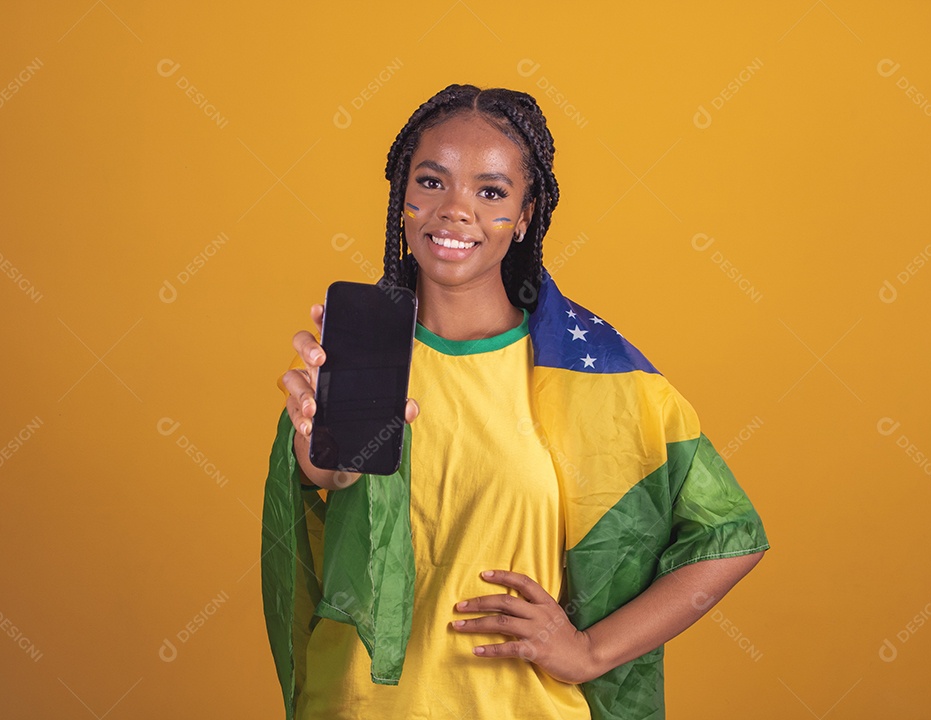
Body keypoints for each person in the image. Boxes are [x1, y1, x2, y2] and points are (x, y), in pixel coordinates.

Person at [262, 84, 769, 720]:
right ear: (401, 197)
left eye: (492, 192)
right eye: (431, 182)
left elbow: (730, 536)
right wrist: (321, 452)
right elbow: (325, 483)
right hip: (354, 706)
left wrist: (588, 651)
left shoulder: (593, 378)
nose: (455, 210)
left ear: (526, 215)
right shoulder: (353, 352)